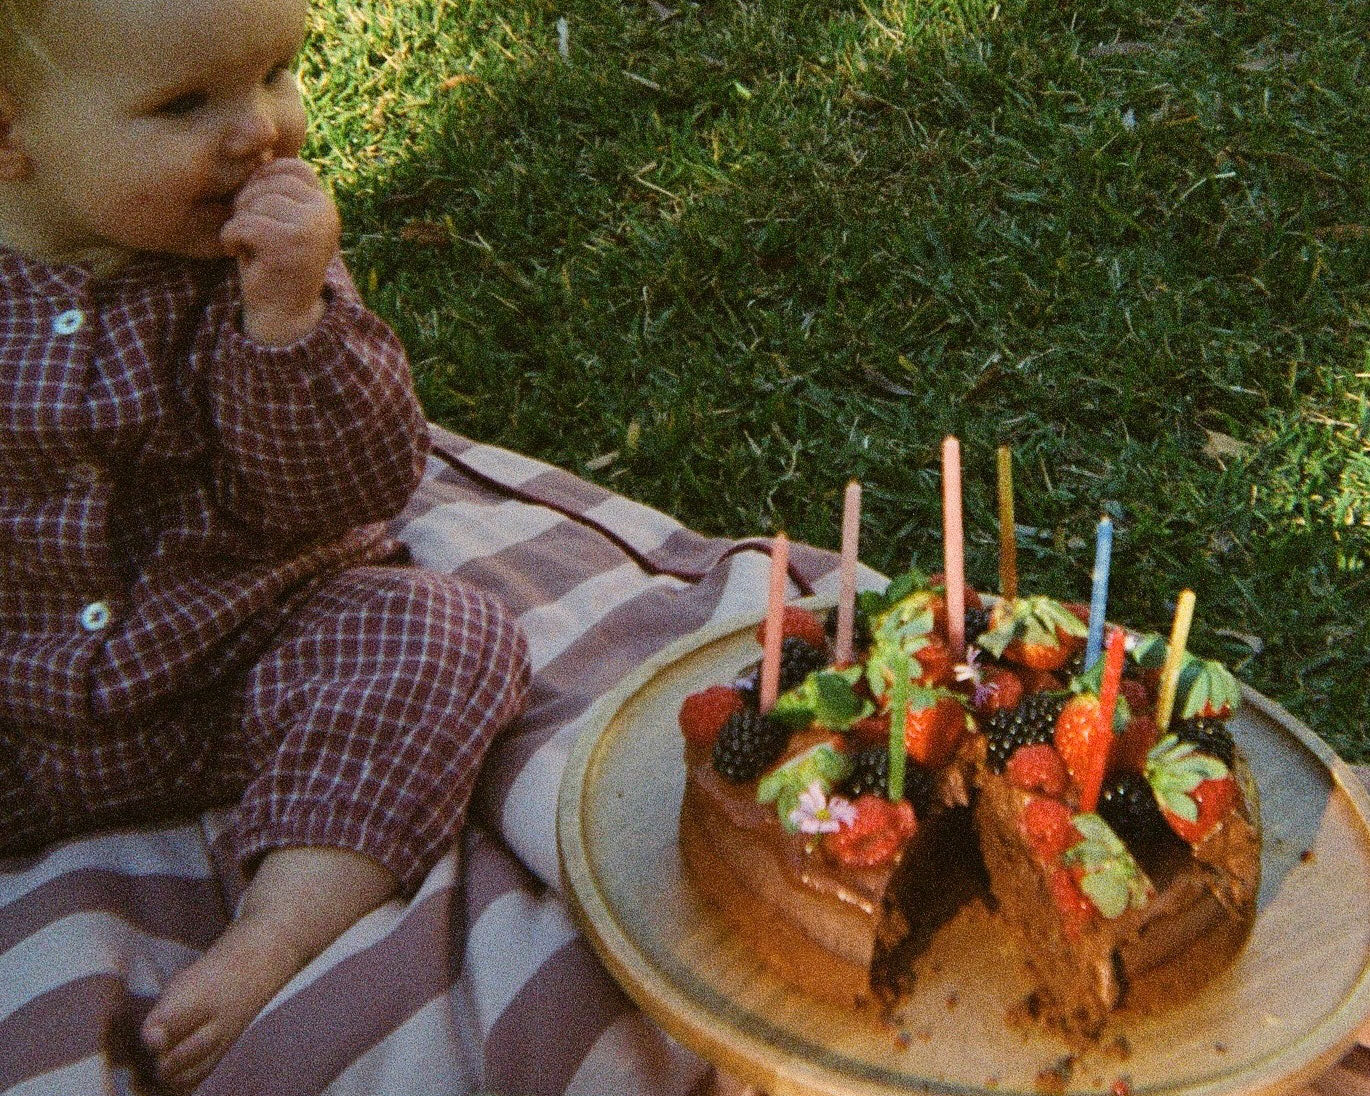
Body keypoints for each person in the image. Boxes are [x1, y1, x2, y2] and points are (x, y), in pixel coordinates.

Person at [0, 0, 531, 1088]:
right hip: (21, 695)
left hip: (245, 657)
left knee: (439, 633)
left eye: (277, 71)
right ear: (10, 135)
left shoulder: (262, 267)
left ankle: (273, 933)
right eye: (186, 102)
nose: (263, 132)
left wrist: (286, 324)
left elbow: (353, 484)